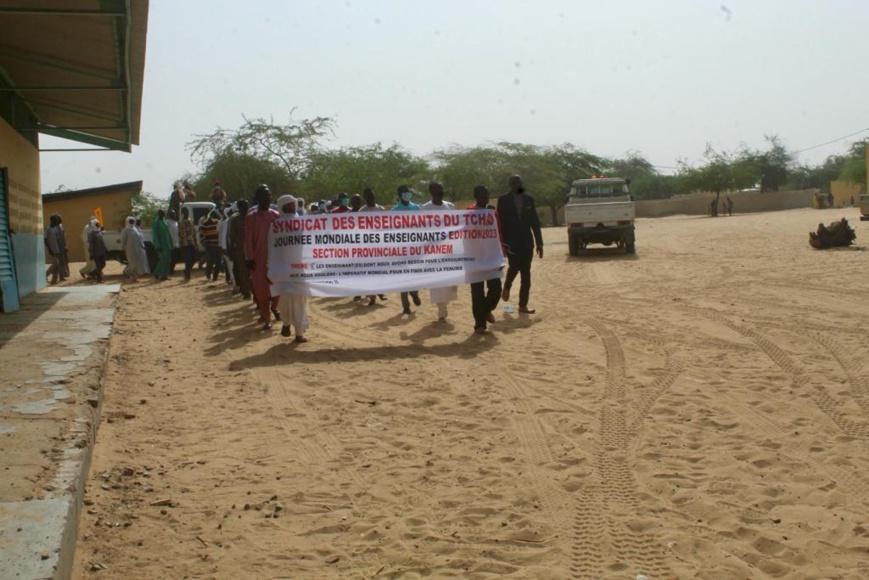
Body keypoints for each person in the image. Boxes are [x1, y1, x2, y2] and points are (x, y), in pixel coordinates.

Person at [497, 175, 542, 314]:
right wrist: (502, 243)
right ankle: (507, 286)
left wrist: (540, 243)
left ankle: (523, 305)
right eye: (514, 183)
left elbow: (535, 222)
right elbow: (501, 224)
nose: (517, 185)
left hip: (527, 242)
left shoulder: (528, 199)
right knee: (514, 267)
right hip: (511, 242)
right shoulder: (503, 200)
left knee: (526, 274)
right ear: (510, 185)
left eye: (519, 183)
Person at [274, 195, 309, 343]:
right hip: (283, 269)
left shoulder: (302, 223)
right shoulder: (276, 226)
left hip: (300, 268)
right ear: (282, 207)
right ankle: (286, 323)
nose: (291, 208)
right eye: (287, 206)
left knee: (300, 300)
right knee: (285, 299)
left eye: (293, 205)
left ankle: (299, 333)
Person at [245, 185, 281, 329]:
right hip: (258, 259)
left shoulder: (276, 215)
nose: (268, 198)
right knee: (261, 289)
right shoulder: (251, 217)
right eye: (265, 195)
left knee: (276, 285)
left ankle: (274, 307)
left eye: (269, 195)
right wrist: (249, 257)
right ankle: (266, 317)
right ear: (258, 198)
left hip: (275, 258)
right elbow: (248, 239)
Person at [468, 185, 502, 334]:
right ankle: (480, 324)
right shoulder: (469, 212)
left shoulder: (492, 212)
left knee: (496, 288)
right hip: (475, 257)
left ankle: (487, 309)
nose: (486, 196)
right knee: (477, 292)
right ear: (476, 195)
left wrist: (502, 253)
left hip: (492, 257)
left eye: (487, 193)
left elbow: (499, 233)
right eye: (483, 193)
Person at [421, 181, 457, 322]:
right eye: (437, 189)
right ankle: (441, 308)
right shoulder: (425, 209)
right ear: (431, 191)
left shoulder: (450, 206)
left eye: (442, 188)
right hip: (433, 251)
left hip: (449, 250)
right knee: (436, 282)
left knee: (449, 282)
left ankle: (445, 304)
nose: (440, 191)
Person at [391, 185, 421, 314]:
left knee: (415, 274)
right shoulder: (394, 210)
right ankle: (406, 306)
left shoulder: (416, 208)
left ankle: (414, 292)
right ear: (399, 195)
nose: (407, 194)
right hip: (401, 248)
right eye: (404, 192)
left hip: (415, 247)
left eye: (408, 192)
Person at [227, 199, 251, 300]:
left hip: (252, 248)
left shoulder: (252, 217)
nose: (247, 208)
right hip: (241, 249)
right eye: (244, 206)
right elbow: (231, 237)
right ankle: (246, 292)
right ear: (239, 207)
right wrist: (231, 250)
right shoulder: (235, 219)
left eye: (247, 205)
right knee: (243, 271)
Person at [120, 217, 149, 281]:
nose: (132, 222)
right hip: (129, 250)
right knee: (132, 263)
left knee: (137, 263)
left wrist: (142, 246)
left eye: (133, 221)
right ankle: (128, 272)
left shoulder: (135, 229)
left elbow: (139, 239)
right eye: (130, 221)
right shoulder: (125, 230)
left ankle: (134, 277)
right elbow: (123, 241)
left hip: (137, 249)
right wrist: (122, 249)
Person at [199, 208, 222, 281]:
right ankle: (214, 276)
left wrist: (205, 243)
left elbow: (201, 236)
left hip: (209, 245)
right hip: (216, 245)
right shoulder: (218, 223)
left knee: (210, 261)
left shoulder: (204, 223)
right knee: (217, 261)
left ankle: (209, 274)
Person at [152, 209, 173, 280]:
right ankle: (156, 272)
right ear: (158, 214)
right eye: (161, 213)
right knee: (162, 260)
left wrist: (171, 243)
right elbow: (155, 235)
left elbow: (168, 233)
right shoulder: (156, 222)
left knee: (168, 260)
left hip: (167, 244)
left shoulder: (164, 221)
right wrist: (157, 245)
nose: (163, 214)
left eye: (163, 213)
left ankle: (165, 275)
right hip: (161, 245)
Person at [178, 207, 197, 281]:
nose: (186, 213)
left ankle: (186, 270)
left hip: (191, 242)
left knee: (194, 258)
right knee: (188, 260)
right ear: (182, 213)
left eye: (187, 211)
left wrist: (195, 243)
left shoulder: (191, 221)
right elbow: (179, 234)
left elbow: (194, 233)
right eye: (185, 212)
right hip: (185, 243)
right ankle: (187, 276)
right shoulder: (180, 222)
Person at [218, 205, 235, 286]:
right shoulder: (225, 223)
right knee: (231, 267)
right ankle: (234, 283)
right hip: (227, 249)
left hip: (231, 248)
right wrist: (225, 249)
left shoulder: (232, 221)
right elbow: (224, 236)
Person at [44, 214, 62, 285]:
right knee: (55, 264)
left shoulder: (55, 229)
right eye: (56, 220)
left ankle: (54, 281)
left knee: (57, 266)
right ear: (52, 220)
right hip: (51, 249)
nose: (57, 221)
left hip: (56, 249)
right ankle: (45, 275)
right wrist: (49, 249)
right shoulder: (47, 229)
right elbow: (45, 240)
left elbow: (57, 240)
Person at [53, 213, 70, 280]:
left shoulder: (61, 226)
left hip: (63, 246)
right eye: (59, 218)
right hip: (58, 247)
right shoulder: (54, 228)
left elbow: (64, 237)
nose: (61, 220)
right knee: (58, 262)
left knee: (64, 261)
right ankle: (59, 276)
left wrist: (66, 246)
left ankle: (63, 275)